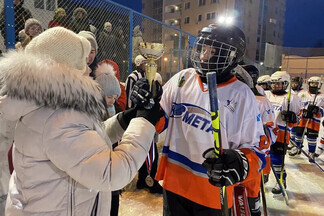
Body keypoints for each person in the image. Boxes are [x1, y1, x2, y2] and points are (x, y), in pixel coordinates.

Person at [0, 27, 163, 216]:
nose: (88, 69)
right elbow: (111, 173)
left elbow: (86, 139)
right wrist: (144, 121)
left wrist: (128, 118)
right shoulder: (55, 117)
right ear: (64, 68)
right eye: (82, 63)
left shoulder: (47, 105)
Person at [155, 24, 267, 215]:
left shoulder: (242, 94)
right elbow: (160, 121)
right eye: (203, 49)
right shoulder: (182, 79)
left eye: (213, 51)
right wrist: (148, 106)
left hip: (213, 193)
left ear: (231, 56)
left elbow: (258, 149)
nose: (203, 56)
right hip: (174, 184)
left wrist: (239, 162)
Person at [125, 54, 164, 194]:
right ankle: (145, 179)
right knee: (143, 150)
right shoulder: (133, 77)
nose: (147, 64)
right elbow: (131, 98)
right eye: (145, 62)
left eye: (149, 62)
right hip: (139, 117)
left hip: (151, 118)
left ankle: (147, 179)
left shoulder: (152, 76)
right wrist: (133, 115)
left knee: (151, 150)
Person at [235, 65, 277, 185]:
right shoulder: (227, 97)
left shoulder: (262, 101)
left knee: (249, 193)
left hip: (250, 156)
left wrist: (264, 133)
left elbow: (272, 131)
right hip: (230, 154)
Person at [265, 71, 301, 194]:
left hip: (281, 133)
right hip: (264, 132)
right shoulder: (265, 95)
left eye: (279, 84)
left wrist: (293, 118)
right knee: (263, 156)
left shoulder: (292, 98)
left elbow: (298, 118)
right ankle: (264, 175)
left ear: (285, 84)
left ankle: (280, 180)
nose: (275, 86)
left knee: (276, 159)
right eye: (273, 83)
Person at [289, 76, 324, 161]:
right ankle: (297, 148)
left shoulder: (322, 97)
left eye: (316, 84)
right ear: (309, 84)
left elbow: (323, 111)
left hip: (314, 121)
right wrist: (303, 111)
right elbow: (299, 106)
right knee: (298, 135)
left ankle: (311, 152)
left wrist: (318, 110)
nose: (314, 85)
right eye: (312, 83)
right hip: (302, 120)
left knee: (312, 138)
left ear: (319, 85)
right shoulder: (302, 94)